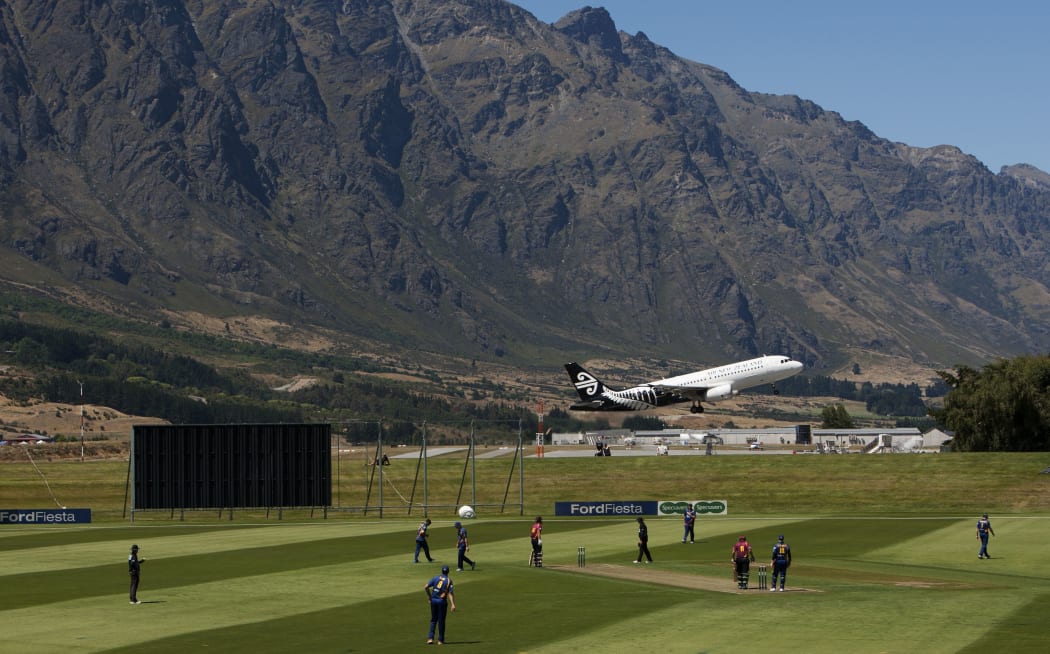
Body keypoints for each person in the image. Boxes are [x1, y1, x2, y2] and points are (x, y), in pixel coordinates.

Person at [424, 564, 456, 645]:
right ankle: (440, 640)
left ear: (442, 571)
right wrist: (452, 604)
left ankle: (430, 638)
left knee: (433, 620)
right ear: (448, 572)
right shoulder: (449, 580)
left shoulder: (436, 578)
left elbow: (426, 587)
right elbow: (450, 593)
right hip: (442, 602)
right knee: (441, 621)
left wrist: (429, 596)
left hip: (434, 601)